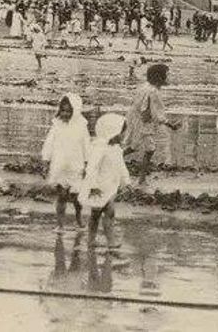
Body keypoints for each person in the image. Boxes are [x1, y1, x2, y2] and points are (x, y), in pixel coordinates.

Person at [123, 63, 181, 187]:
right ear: (158, 77)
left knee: (134, 147)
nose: (167, 77)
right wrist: (170, 124)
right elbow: (156, 114)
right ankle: (141, 179)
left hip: (136, 120)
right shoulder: (153, 91)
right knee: (149, 149)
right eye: (166, 75)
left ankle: (140, 177)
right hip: (143, 123)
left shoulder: (144, 87)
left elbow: (138, 105)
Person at [79, 112, 129, 249]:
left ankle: (109, 240)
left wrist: (126, 181)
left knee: (110, 213)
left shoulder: (117, 149)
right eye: (122, 132)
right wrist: (93, 186)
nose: (124, 135)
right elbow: (91, 168)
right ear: (113, 132)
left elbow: (121, 166)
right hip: (98, 188)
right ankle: (92, 239)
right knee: (95, 214)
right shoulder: (100, 149)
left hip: (110, 187)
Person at [41, 93, 91, 230]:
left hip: (76, 166)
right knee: (61, 196)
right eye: (62, 110)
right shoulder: (56, 125)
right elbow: (49, 144)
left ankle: (79, 216)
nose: (65, 114)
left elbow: (86, 145)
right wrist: (46, 160)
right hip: (60, 165)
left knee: (76, 197)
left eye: (69, 111)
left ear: (75, 111)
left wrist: (87, 164)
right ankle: (60, 224)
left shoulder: (81, 126)